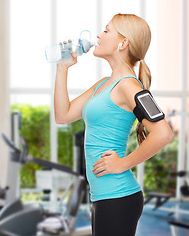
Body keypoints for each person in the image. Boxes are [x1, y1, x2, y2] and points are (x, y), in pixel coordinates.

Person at [54, 13, 173, 236]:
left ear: (123, 43)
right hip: (103, 196)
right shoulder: (103, 85)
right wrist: (62, 69)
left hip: (118, 196)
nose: (99, 35)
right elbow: (63, 115)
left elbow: (163, 133)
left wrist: (123, 163)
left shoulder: (129, 86)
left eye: (107, 30)